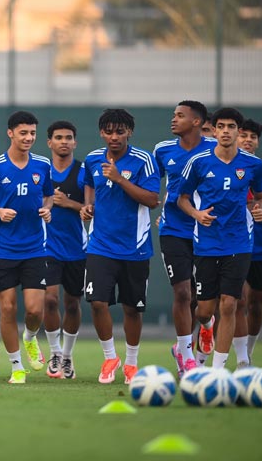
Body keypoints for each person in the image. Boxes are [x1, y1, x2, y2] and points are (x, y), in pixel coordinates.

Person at [0, 111, 53, 384]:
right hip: (3, 249)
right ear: (10, 133)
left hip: (35, 248)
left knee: (34, 311)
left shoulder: (43, 165)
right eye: (23, 133)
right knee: (7, 308)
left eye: (32, 133)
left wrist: (47, 209)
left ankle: (30, 337)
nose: (28, 138)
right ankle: (16, 367)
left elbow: (49, 196)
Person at [178, 108, 262, 369]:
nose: (226, 131)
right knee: (204, 310)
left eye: (231, 126)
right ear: (214, 131)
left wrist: (259, 209)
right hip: (206, 243)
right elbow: (182, 199)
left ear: (238, 132)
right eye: (221, 126)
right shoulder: (198, 162)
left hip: (239, 242)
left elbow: (260, 197)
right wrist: (196, 214)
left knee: (229, 304)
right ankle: (207, 326)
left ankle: (217, 370)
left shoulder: (253, 165)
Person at [80, 109, 159, 385]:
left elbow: (152, 200)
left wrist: (120, 179)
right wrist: (88, 206)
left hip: (135, 247)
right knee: (97, 302)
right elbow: (89, 186)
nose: (114, 137)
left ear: (129, 132)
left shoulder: (144, 160)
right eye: (109, 132)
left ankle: (132, 363)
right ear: (101, 133)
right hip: (100, 244)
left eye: (120, 131)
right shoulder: (92, 159)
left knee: (132, 308)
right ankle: (110, 358)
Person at [152, 100, 216, 377]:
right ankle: (186, 355)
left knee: (203, 304)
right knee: (182, 292)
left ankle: (207, 324)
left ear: (197, 122)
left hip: (208, 232)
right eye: (173, 115)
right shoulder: (163, 150)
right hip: (173, 231)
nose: (174, 119)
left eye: (180, 115)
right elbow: (152, 185)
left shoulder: (215, 149)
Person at [43, 120, 86, 380]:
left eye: (68, 138)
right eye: (58, 137)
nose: (64, 142)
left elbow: (93, 210)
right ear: (49, 142)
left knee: (72, 303)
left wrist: (67, 202)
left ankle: (68, 356)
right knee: (50, 299)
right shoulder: (40, 170)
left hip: (77, 247)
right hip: (47, 246)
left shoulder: (83, 171)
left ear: (75, 142)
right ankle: (55, 352)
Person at [233, 119, 262, 367]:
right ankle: (241, 360)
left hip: (261, 245)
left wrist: (259, 206)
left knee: (256, 303)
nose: (248, 140)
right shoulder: (222, 167)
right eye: (243, 135)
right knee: (238, 300)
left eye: (253, 137)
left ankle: (249, 351)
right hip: (233, 244)